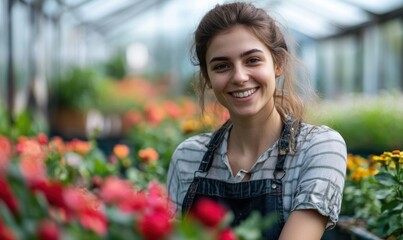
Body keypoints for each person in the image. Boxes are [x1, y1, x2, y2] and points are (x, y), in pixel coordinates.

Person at [167, 2, 347, 239]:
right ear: (207, 77)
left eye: (252, 60)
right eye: (222, 66)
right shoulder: (187, 158)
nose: (240, 77)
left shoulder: (318, 148)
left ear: (278, 63)